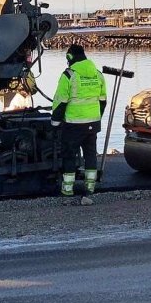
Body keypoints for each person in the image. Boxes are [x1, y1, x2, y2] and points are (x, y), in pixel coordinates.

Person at [51, 44, 107, 204]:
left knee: (69, 155)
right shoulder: (98, 74)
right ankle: (90, 188)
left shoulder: (68, 75)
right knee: (90, 155)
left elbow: (60, 101)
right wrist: (96, 117)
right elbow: (103, 100)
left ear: (69, 57)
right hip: (93, 123)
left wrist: (55, 122)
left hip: (73, 124)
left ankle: (67, 190)